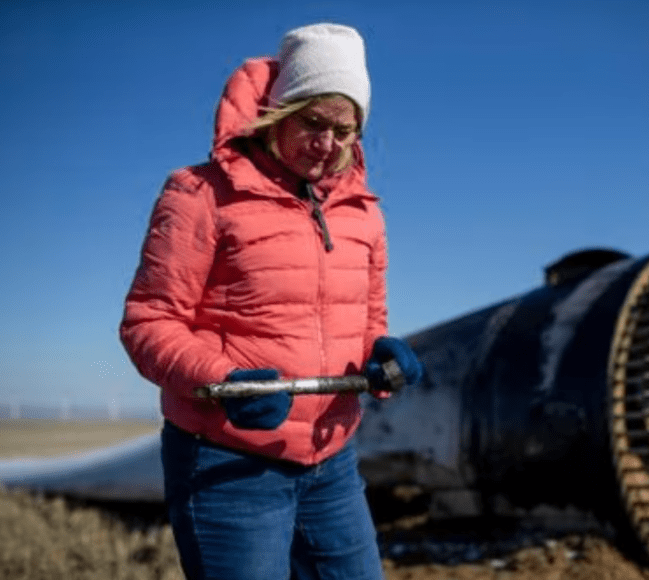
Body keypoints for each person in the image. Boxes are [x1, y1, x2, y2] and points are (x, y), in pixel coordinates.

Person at [120, 23, 423, 580]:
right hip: (226, 462)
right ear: (279, 112)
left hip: (331, 460)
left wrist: (379, 353)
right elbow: (148, 322)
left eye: (345, 131)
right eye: (313, 122)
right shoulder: (199, 194)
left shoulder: (364, 215)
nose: (327, 144)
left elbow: (367, 319)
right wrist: (222, 380)